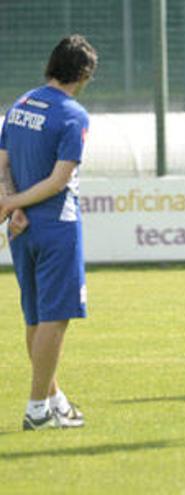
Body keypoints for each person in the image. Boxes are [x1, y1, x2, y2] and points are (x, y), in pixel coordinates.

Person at [0, 35, 96, 431]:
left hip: (20, 227)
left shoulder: (21, 103)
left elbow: (2, 163)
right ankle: (37, 408)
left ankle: (53, 400)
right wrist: (15, 202)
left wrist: (12, 204)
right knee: (55, 320)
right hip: (56, 225)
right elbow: (59, 180)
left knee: (36, 318)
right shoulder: (73, 115)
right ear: (85, 73)